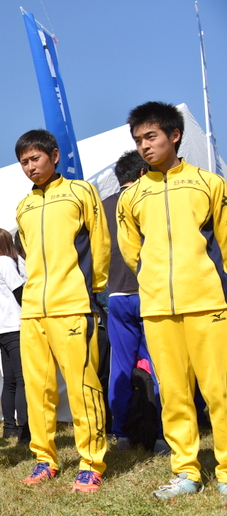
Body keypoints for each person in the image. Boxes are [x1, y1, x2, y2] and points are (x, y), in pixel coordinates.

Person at [118, 102, 227, 503]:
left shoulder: (209, 184)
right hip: (158, 308)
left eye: (151, 136)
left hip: (206, 302)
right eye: (138, 140)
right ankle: (185, 471)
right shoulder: (132, 197)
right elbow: (132, 252)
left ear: (174, 135)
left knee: (219, 391)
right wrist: (154, 283)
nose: (144, 146)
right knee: (174, 394)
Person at [15, 129, 110, 493]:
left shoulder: (80, 192)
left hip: (72, 304)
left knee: (83, 386)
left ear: (54, 156)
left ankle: (91, 462)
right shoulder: (23, 206)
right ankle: (45, 458)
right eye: (24, 162)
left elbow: (100, 241)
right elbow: (28, 251)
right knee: (38, 389)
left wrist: (93, 289)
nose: (30, 167)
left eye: (35, 158)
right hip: (33, 309)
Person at [103, 150, 166, 454]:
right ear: (143, 172)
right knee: (160, 364)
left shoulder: (103, 206)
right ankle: (163, 435)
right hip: (151, 293)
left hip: (116, 295)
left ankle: (121, 434)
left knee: (120, 366)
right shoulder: (150, 198)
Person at [0, 229, 29, 443]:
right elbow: (20, 291)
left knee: (9, 381)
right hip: (15, 325)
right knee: (22, 380)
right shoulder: (5, 262)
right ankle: (24, 427)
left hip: (1, 328)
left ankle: (10, 427)